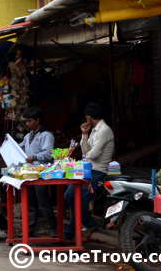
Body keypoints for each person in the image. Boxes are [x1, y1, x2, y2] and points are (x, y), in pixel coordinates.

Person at [65, 102, 114, 239]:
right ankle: (90, 223)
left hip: (98, 171)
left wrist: (85, 157)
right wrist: (84, 134)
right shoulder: (93, 129)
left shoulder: (104, 130)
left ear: (89, 117)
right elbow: (86, 151)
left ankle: (71, 231)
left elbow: (93, 154)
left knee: (80, 199)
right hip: (87, 168)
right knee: (69, 195)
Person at [19, 107, 55, 234]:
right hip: (29, 173)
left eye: (29, 121)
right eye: (26, 121)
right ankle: (30, 229)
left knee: (43, 202)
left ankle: (52, 228)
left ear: (37, 120)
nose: (27, 124)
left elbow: (49, 154)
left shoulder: (46, 135)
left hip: (41, 173)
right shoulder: (28, 135)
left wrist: (34, 157)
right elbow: (20, 147)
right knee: (30, 202)